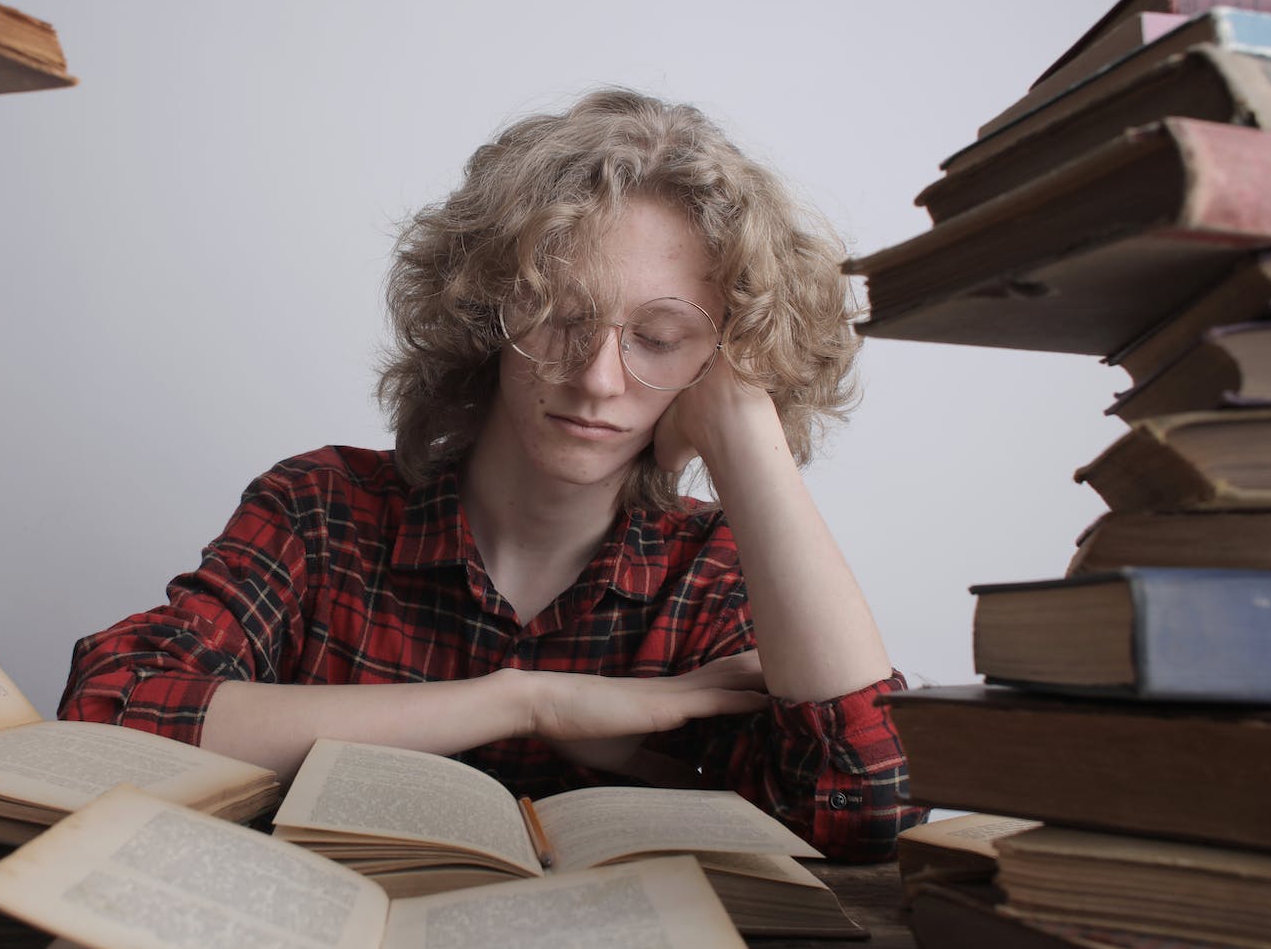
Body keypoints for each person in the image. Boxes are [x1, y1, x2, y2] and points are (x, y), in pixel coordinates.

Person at [59, 88, 921, 861]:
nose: (597, 379)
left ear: (718, 359)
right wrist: (526, 701)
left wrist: (744, 430)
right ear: (487, 312)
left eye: (658, 339)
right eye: (560, 318)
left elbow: (863, 805)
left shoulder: (715, 577)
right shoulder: (320, 511)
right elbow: (111, 709)